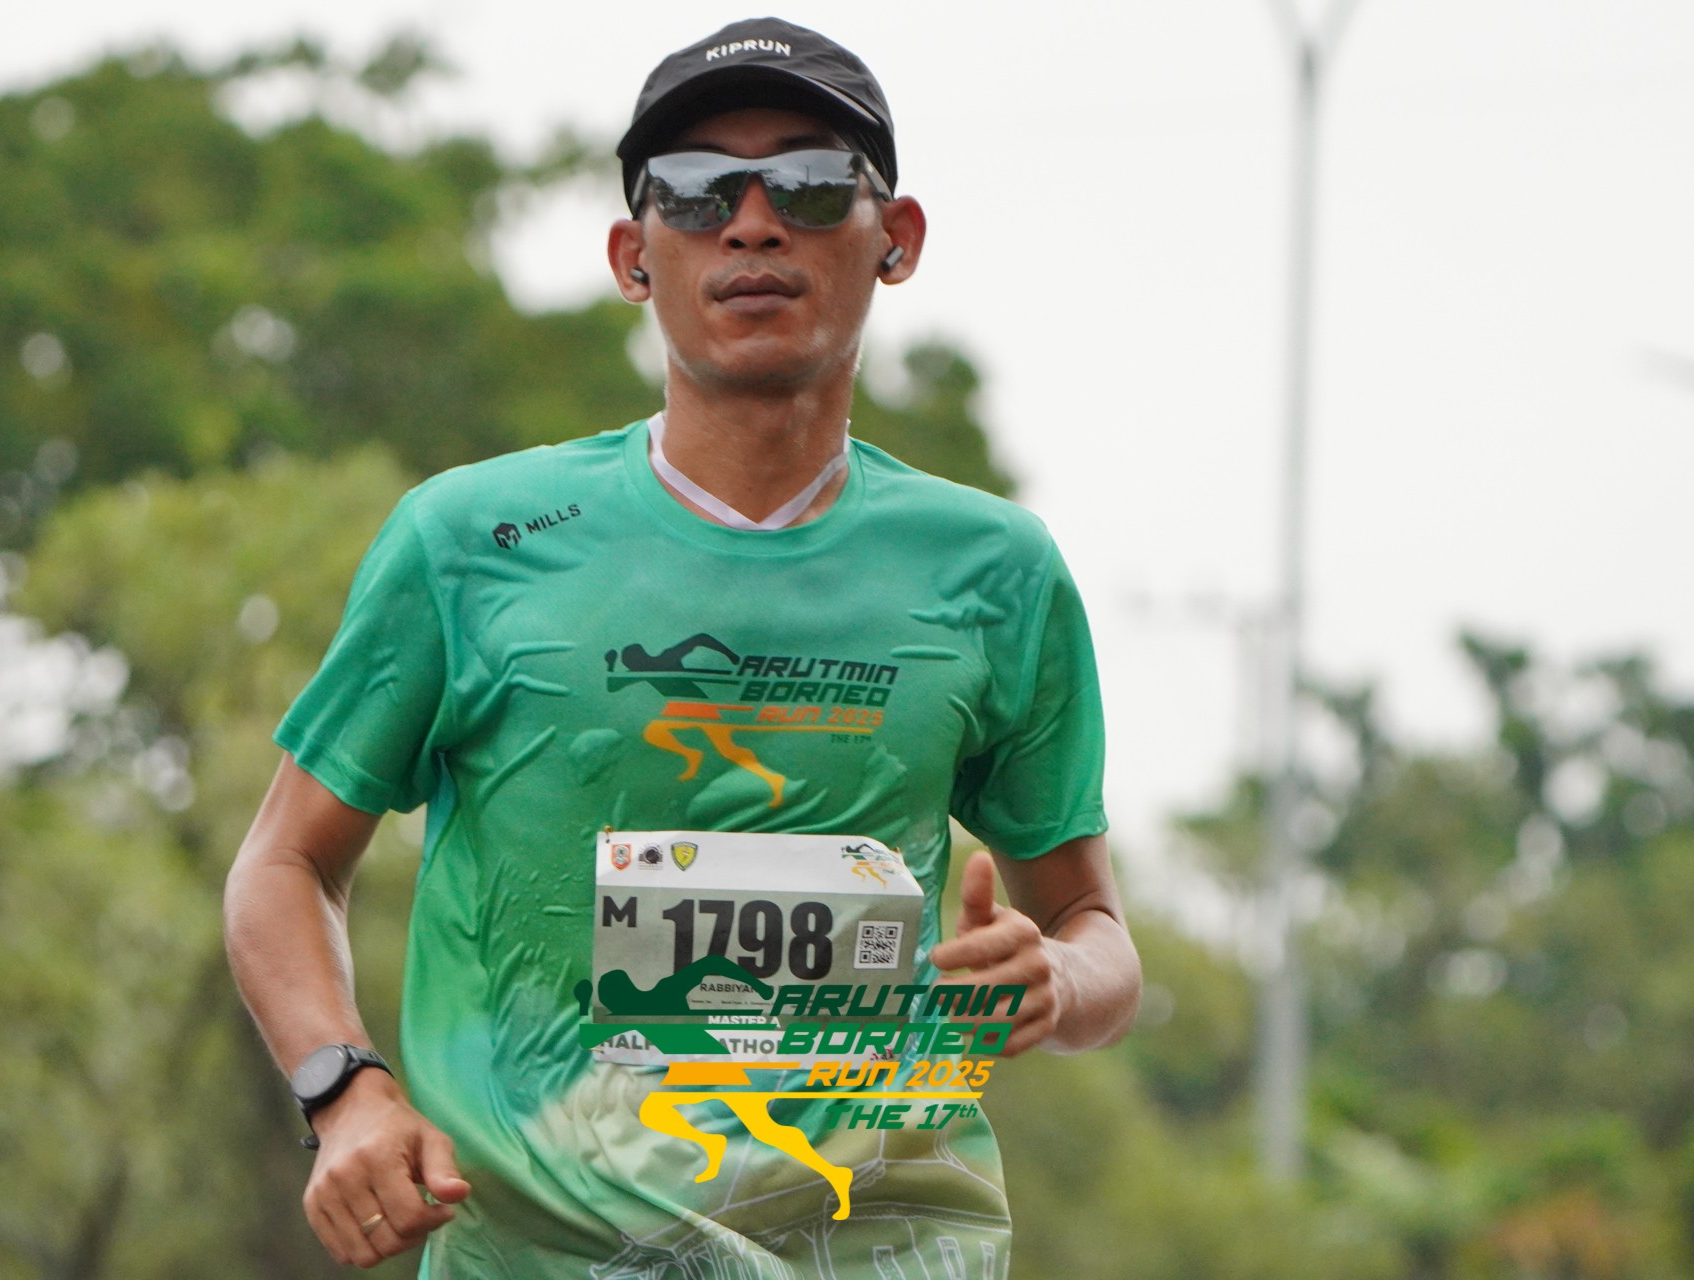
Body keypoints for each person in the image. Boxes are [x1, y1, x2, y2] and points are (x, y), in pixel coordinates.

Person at [223, 16, 1142, 1277]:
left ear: (896, 238)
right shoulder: (468, 541)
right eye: (699, 190)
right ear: (632, 255)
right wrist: (345, 1089)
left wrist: (1054, 979)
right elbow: (284, 860)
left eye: (808, 183)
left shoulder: (996, 569)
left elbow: (1091, 925)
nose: (751, 224)